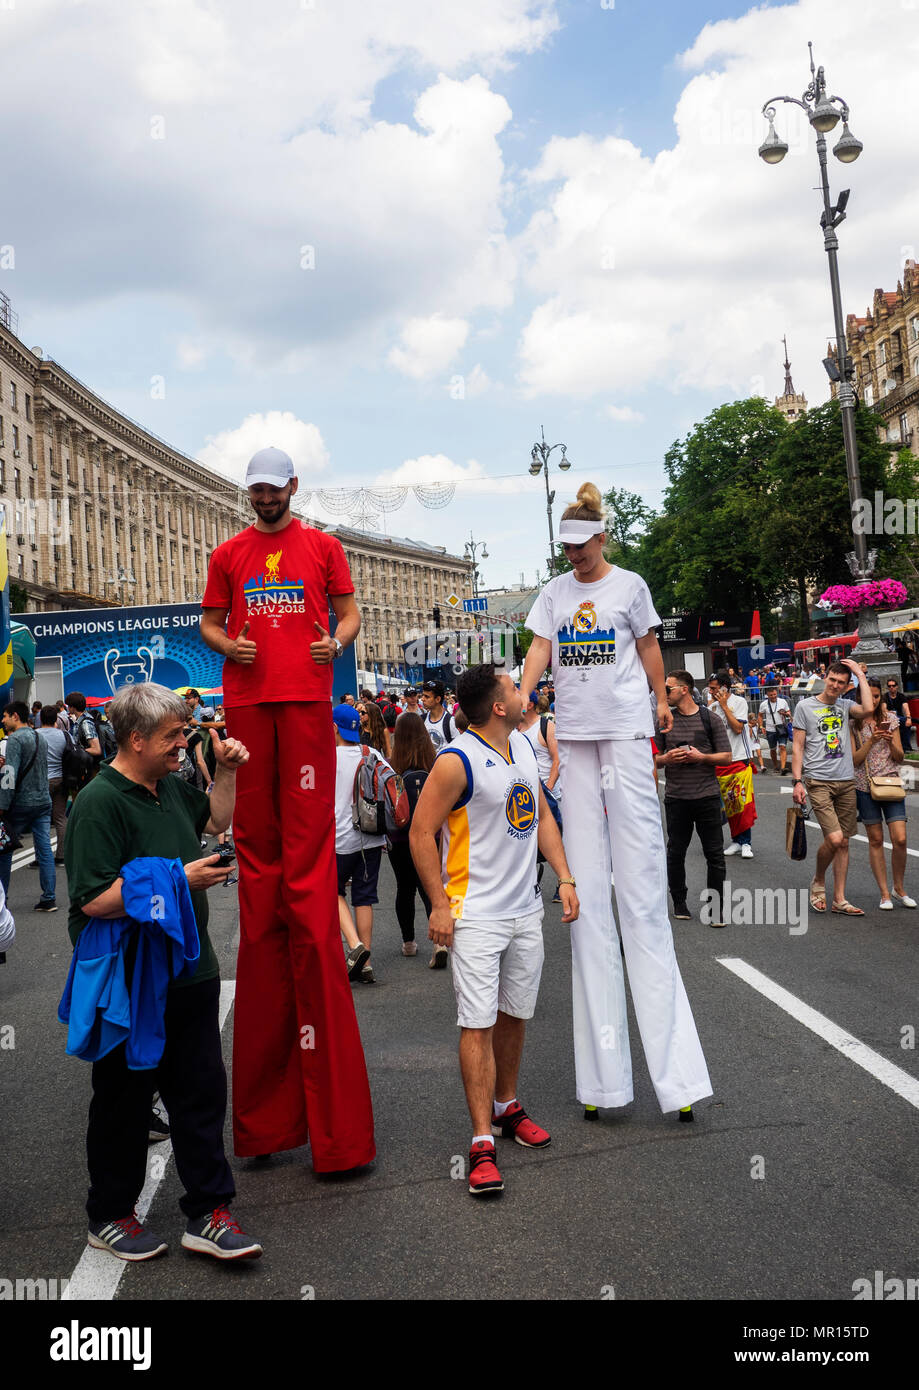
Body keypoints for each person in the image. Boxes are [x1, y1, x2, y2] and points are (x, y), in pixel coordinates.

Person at [200, 445, 374, 1171]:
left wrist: (331, 643)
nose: (263, 500)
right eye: (255, 492)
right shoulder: (229, 553)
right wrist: (228, 645)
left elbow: (350, 613)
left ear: (293, 488)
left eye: (273, 491)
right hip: (247, 702)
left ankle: (328, 1130)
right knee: (263, 878)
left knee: (305, 876)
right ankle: (268, 1125)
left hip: (303, 702)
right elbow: (207, 624)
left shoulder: (323, 546)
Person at [519, 482, 712, 1124]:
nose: (575, 556)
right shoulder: (553, 593)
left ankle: (676, 1078)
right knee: (590, 909)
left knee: (643, 903)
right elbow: (541, 649)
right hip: (573, 740)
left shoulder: (629, 586)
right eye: (566, 548)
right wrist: (524, 694)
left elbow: (650, 647)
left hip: (627, 733)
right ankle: (604, 1084)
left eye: (582, 546)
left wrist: (660, 699)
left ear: (602, 538)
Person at [62, 682, 261, 1261]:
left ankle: (209, 1212)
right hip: (130, 979)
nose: (184, 742)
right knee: (123, 1102)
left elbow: (217, 820)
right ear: (136, 739)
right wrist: (180, 879)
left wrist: (224, 771)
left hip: (191, 970)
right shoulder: (99, 803)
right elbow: (95, 899)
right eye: (174, 735)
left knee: (200, 1095)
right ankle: (111, 1215)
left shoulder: (170, 787)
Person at [410, 664, 579, 1197]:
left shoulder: (525, 747)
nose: (521, 688)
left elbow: (543, 819)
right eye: (512, 685)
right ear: (498, 706)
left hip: (525, 909)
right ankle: (481, 1139)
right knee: (477, 1023)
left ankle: (507, 1106)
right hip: (475, 914)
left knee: (515, 1014)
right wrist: (438, 903)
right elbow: (419, 832)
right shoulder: (454, 760)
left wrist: (565, 876)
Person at [791, 658, 873, 915]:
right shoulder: (805, 706)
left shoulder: (846, 705)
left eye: (841, 682)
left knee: (845, 842)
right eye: (832, 680)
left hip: (846, 779)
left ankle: (839, 899)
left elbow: (869, 709)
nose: (835, 686)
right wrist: (796, 781)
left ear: (846, 685)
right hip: (818, 780)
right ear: (824, 678)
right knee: (835, 838)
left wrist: (859, 674)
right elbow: (798, 746)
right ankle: (818, 879)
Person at [655, 671, 730, 925]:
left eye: (668, 689)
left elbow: (726, 757)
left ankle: (716, 907)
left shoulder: (710, 719)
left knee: (714, 854)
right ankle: (679, 902)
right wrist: (665, 759)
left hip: (707, 795)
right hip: (677, 797)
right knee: (676, 852)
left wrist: (702, 757)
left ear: (684, 689)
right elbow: (652, 758)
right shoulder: (665, 720)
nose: (664, 694)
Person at [851, 679, 915, 910]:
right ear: (859, 697)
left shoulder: (891, 720)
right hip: (865, 785)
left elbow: (899, 757)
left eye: (877, 696)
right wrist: (871, 741)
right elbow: (855, 760)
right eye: (870, 696)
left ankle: (899, 889)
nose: (874, 700)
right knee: (876, 840)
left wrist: (889, 742)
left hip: (891, 783)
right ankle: (885, 893)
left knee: (900, 839)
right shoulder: (853, 723)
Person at [333, 703, 384, 984]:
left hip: (339, 839)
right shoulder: (371, 753)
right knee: (364, 896)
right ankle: (367, 962)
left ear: (334, 728)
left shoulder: (327, 757)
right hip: (372, 837)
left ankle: (355, 946)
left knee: (332, 891)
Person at [386, 711, 435, 959]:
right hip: (430, 834)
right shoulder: (434, 763)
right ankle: (440, 943)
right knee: (430, 885)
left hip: (400, 837)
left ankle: (409, 943)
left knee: (404, 888)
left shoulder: (392, 766)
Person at [0, 701, 56, 911]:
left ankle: (2, 901)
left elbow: (10, 774)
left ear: (15, 716)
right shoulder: (39, 736)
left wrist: (2, 804)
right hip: (43, 800)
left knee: (5, 851)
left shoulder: (15, 739)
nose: (3, 720)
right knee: (44, 850)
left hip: (20, 803)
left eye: (5, 716)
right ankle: (49, 897)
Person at [518, 691, 563, 904]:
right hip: (526, 796)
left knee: (558, 840)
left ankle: (562, 883)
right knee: (525, 840)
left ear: (530, 705)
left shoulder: (546, 727)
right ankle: (530, 882)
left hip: (551, 795)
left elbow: (557, 759)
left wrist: (550, 786)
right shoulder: (514, 730)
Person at [707, 672, 756, 858]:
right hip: (720, 760)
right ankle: (736, 840)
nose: (711, 691)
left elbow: (737, 728)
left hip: (739, 758)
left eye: (714, 688)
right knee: (727, 804)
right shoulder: (711, 708)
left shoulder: (739, 702)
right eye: (710, 688)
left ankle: (746, 843)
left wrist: (725, 706)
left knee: (741, 803)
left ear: (725, 688)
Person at [37, 704, 69, 864]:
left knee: (40, 819)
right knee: (60, 817)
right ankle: (62, 856)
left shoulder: (35, 735)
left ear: (41, 718)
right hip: (62, 780)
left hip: (42, 781)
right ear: (56, 719)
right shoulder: (64, 735)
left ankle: (41, 858)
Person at [758, 685, 792, 774]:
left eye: (774, 694)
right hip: (770, 730)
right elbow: (760, 715)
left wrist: (784, 713)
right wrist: (761, 726)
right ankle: (776, 766)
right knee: (772, 749)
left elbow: (788, 712)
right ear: (767, 695)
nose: (773, 696)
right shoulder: (764, 704)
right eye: (771, 695)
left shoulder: (783, 701)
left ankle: (783, 768)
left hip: (781, 728)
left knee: (782, 747)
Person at [420, 679, 455, 750]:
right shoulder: (421, 720)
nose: (422, 699)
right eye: (423, 695)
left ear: (438, 699)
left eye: (427, 697)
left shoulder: (450, 721)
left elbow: (457, 749)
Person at [884, 678, 913, 752]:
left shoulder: (901, 696)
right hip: (888, 717)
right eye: (889, 686)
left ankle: (906, 747)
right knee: (902, 721)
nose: (891, 687)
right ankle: (905, 747)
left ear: (897, 686)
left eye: (893, 685)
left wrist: (909, 718)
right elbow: (883, 709)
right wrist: (890, 712)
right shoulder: (885, 696)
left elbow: (906, 707)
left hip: (899, 717)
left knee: (906, 722)